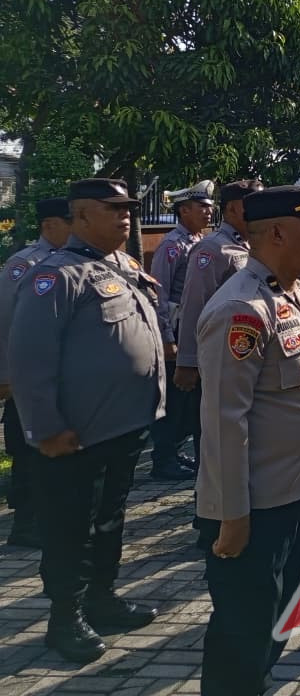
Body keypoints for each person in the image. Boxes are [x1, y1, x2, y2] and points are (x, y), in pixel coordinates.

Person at [8, 179, 165, 665]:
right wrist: (46, 428)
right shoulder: (55, 276)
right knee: (70, 526)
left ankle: (103, 597)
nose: (125, 216)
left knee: (110, 519)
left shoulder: (121, 265)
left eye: (128, 209)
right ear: (80, 215)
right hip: (75, 434)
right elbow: (29, 359)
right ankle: (65, 616)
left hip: (124, 424)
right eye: (112, 209)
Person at [194, 185, 300, 695]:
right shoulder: (241, 310)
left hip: (294, 494)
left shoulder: (295, 292)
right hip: (254, 507)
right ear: (277, 232)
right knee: (244, 629)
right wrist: (233, 516)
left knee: (274, 616)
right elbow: (224, 424)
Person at [175, 180, 263, 473]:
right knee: (213, 442)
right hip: (216, 359)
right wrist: (187, 361)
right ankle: (210, 512)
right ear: (233, 208)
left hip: (245, 357)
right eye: (252, 203)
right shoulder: (212, 249)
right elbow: (193, 305)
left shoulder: (249, 244)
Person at [0, 195, 72, 549]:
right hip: (26, 382)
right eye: (68, 221)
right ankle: (25, 526)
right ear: (49, 225)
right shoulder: (23, 264)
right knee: (28, 454)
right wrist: (5, 377)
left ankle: (47, 519)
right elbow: (6, 323)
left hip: (61, 381)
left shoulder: (72, 261)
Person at [149, 180, 215, 482]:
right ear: (184, 210)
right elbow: (159, 294)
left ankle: (174, 453)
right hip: (176, 330)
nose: (208, 212)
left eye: (210, 207)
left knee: (189, 402)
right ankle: (162, 460)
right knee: (175, 400)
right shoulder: (172, 245)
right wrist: (167, 337)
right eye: (202, 207)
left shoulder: (199, 241)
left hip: (195, 331)